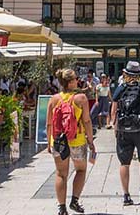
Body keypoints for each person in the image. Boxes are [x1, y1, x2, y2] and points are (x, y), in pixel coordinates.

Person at [45, 69, 94, 215]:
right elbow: (86, 120)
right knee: (81, 170)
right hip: (77, 139)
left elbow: (48, 124)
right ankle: (74, 200)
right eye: (75, 79)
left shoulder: (53, 99)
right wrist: (90, 140)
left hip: (58, 140)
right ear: (71, 82)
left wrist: (49, 143)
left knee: (61, 173)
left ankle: (62, 208)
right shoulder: (81, 98)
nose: (77, 81)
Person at [109, 62, 140, 206]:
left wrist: (116, 129)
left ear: (126, 74)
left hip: (124, 130)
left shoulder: (120, 89)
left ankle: (126, 195)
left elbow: (113, 112)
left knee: (124, 163)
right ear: (139, 74)